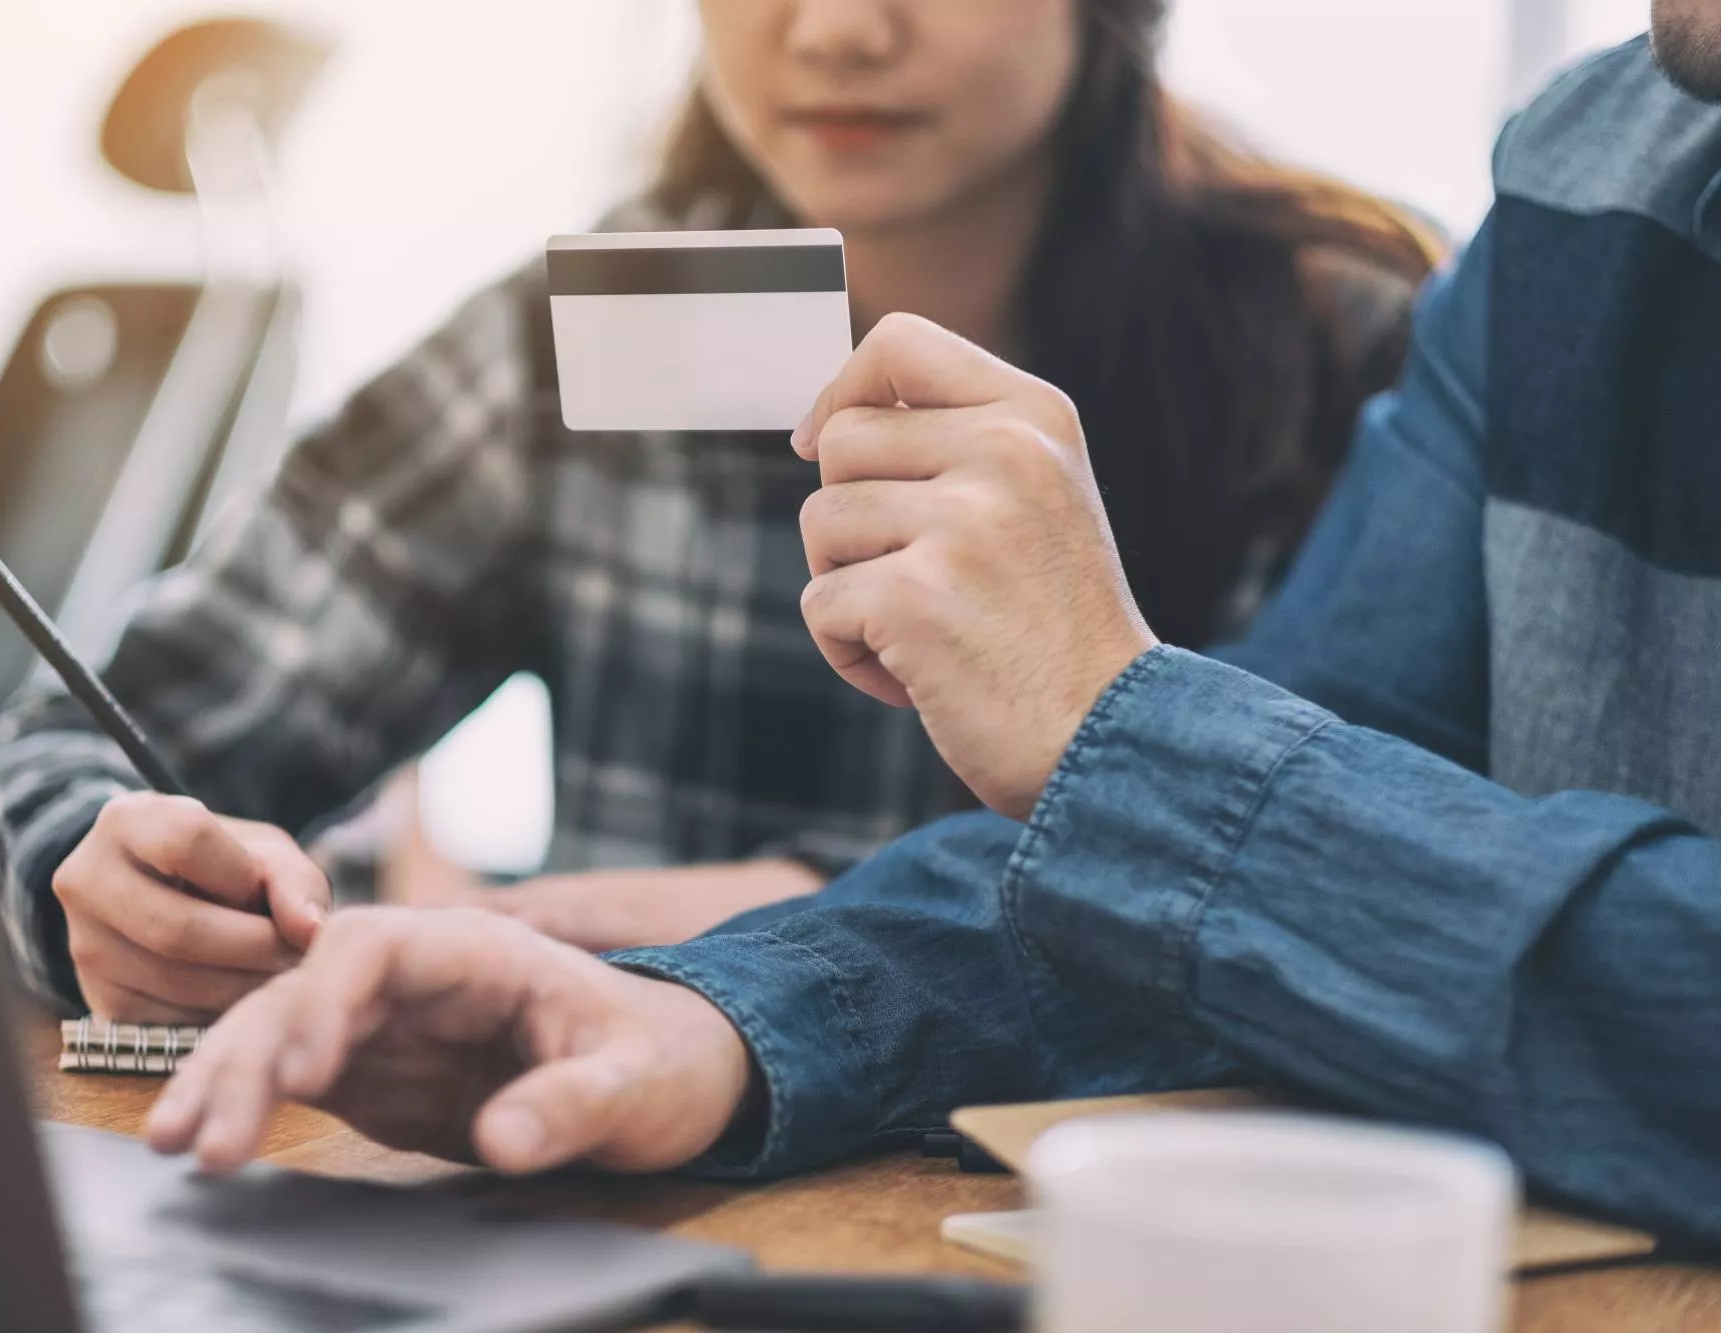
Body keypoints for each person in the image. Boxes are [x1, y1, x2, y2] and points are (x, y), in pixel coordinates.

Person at [145, 19, 1721, 1247]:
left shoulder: (1336, 320)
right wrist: (701, 1013)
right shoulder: (1585, 183)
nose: (835, 28)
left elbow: (1283, 887)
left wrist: (1120, 738)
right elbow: (1312, 875)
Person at [0, 0, 1435, 1020]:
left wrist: (833, 924)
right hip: (611, 1207)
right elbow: (83, 744)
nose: (837, 27)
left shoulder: (1341, 349)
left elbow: (1401, 917)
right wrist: (102, 879)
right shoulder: (566, 342)